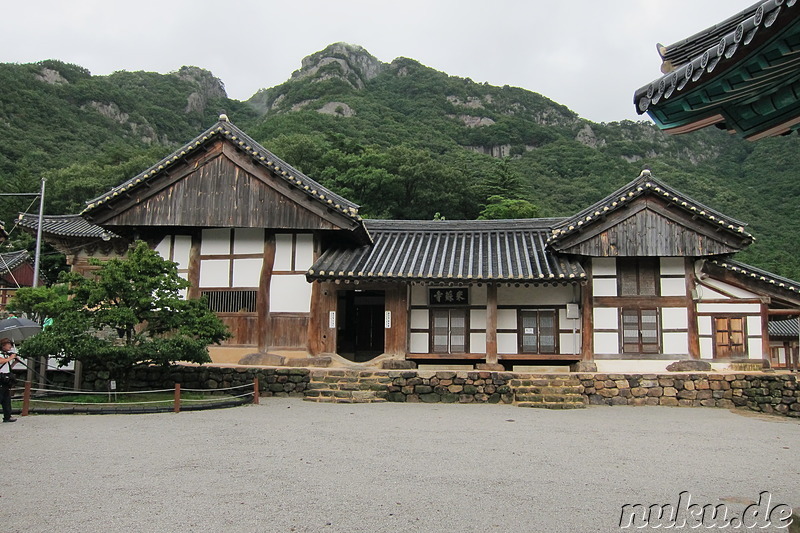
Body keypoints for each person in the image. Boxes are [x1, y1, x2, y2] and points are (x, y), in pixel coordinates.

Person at [0, 337, 18, 422]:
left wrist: (15, 362)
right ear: (3, 345)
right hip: (1, 378)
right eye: (8, 344)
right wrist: (11, 357)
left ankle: (7, 416)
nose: (10, 346)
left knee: (6, 398)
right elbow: (1, 361)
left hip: (6, 378)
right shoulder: (0, 354)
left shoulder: (5, 356)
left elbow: (7, 367)